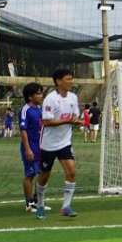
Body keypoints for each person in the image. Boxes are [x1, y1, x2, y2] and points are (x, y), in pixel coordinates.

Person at [35, 68, 82, 219]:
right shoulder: (50, 99)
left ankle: (66, 206)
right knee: (44, 175)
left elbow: (75, 116)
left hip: (64, 142)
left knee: (71, 172)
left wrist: (76, 120)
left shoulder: (73, 97)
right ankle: (40, 205)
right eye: (68, 79)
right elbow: (46, 121)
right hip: (48, 144)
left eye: (71, 78)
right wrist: (67, 121)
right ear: (58, 81)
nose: (71, 81)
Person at [19, 83, 47, 212]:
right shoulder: (25, 110)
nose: (41, 95)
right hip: (30, 146)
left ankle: (38, 201)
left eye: (41, 93)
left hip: (41, 146)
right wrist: (27, 149)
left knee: (42, 173)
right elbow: (23, 130)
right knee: (29, 174)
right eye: (38, 93)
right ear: (30, 96)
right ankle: (29, 203)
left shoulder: (40, 109)